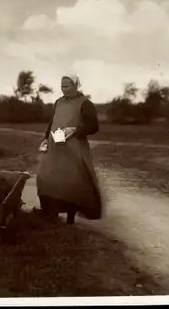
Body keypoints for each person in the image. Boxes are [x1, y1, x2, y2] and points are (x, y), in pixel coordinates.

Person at [36, 74, 103, 224]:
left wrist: (75, 129)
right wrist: (45, 139)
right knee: (46, 177)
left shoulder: (85, 103)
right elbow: (52, 122)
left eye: (66, 87)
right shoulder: (58, 102)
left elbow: (94, 127)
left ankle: (70, 218)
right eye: (62, 87)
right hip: (55, 147)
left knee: (72, 182)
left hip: (74, 148)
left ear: (75, 86)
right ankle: (50, 213)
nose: (63, 89)